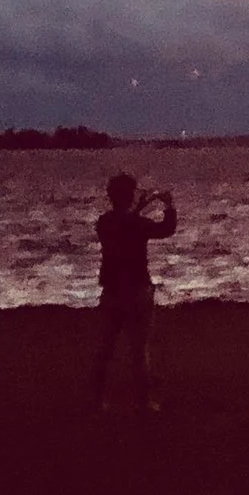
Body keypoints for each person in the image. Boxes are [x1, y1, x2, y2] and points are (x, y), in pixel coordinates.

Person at [90, 170, 177, 411]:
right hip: (137, 291)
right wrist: (169, 206)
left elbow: (122, 223)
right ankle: (143, 402)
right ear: (130, 196)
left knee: (105, 349)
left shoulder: (104, 223)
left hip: (111, 292)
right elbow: (166, 229)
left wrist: (139, 206)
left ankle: (96, 399)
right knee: (139, 350)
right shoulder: (137, 224)